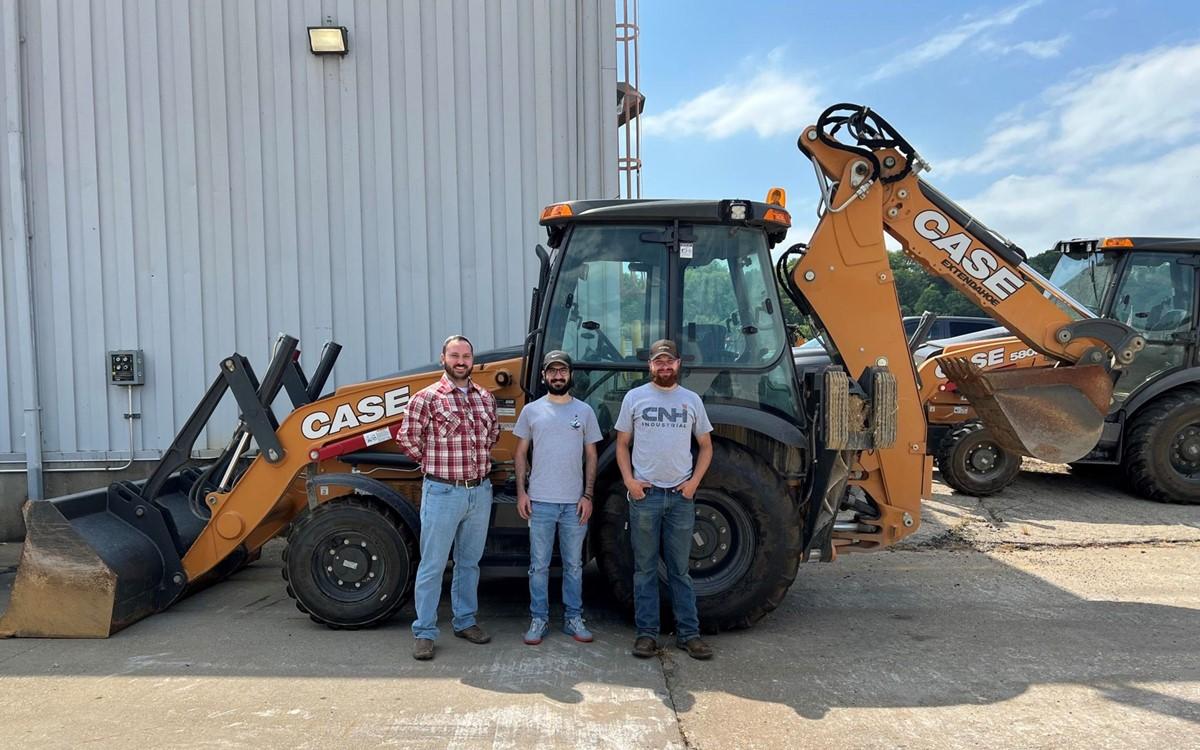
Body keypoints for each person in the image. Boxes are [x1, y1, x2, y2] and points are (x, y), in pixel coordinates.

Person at [397, 335, 499, 661]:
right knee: (434, 564)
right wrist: (432, 464)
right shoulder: (427, 398)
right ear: (443, 358)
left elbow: (493, 434)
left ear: (472, 360)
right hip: (442, 492)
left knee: (469, 563)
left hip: (479, 492)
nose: (460, 361)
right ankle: (424, 632)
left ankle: (465, 621)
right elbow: (408, 439)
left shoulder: (485, 398)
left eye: (466, 355)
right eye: (454, 355)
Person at [615, 339, 715, 660]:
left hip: (680, 498)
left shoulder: (691, 401)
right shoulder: (635, 398)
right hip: (646, 498)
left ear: (678, 364)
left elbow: (706, 446)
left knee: (679, 570)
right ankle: (647, 634)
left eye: (668, 361)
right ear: (650, 366)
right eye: (658, 362)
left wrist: (693, 484)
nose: (664, 367)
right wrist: (630, 481)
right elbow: (621, 445)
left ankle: (689, 634)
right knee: (644, 569)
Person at [514, 351, 602, 645]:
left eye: (562, 371)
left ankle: (573, 618)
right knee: (538, 565)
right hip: (540, 502)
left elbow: (591, 455)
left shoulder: (585, 412)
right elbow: (520, 453)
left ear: (570, 375)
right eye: (552, 371)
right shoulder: (531, 411)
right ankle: (538, 619)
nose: (557, 376)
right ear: (544, 376)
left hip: (573, 504)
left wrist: (588, 495)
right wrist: (522, 493)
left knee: (574, 565)